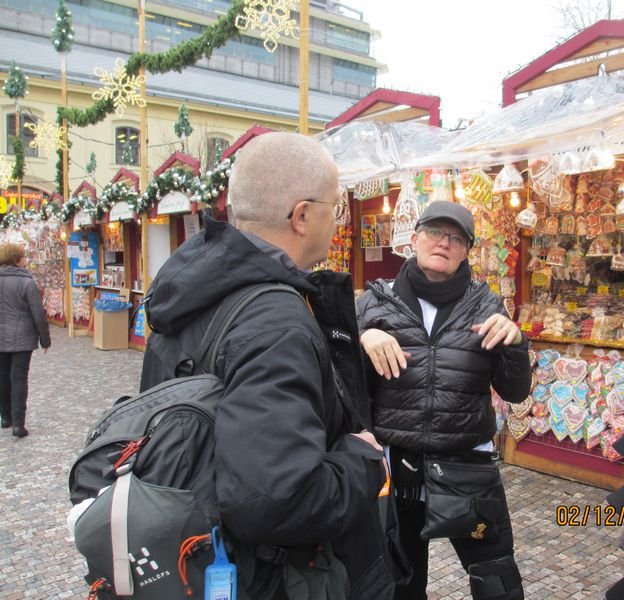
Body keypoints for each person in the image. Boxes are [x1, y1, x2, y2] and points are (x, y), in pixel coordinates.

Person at [139, 132, 389, 599]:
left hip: (196, 558)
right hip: (266, 578)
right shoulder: (276, 323)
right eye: (335, 207)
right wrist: (361, 458)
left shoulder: (188, 289)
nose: (338, 220)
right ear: (301, 216)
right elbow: (276, 501)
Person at [356, 201, 531, 600]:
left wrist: (516, 343)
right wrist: (362, 338)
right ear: (414, 238)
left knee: (497, 581)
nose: (444, 243)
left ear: (466, 251)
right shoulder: (374, 303)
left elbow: (515, 391)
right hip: (396, 469)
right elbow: (342, 381)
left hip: (466, 466)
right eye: (435, 232)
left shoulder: (486, 305)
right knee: (401, 584)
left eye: (456, 238)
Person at [0, 242, 50, 438]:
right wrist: (45, 339)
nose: (25, 260)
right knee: (19, 378)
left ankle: (5, 417)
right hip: (22, 338)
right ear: (16, 259)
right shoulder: (26, 282)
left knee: (2, 377)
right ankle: (18, 424)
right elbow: (38, 313)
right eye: (23, 256)